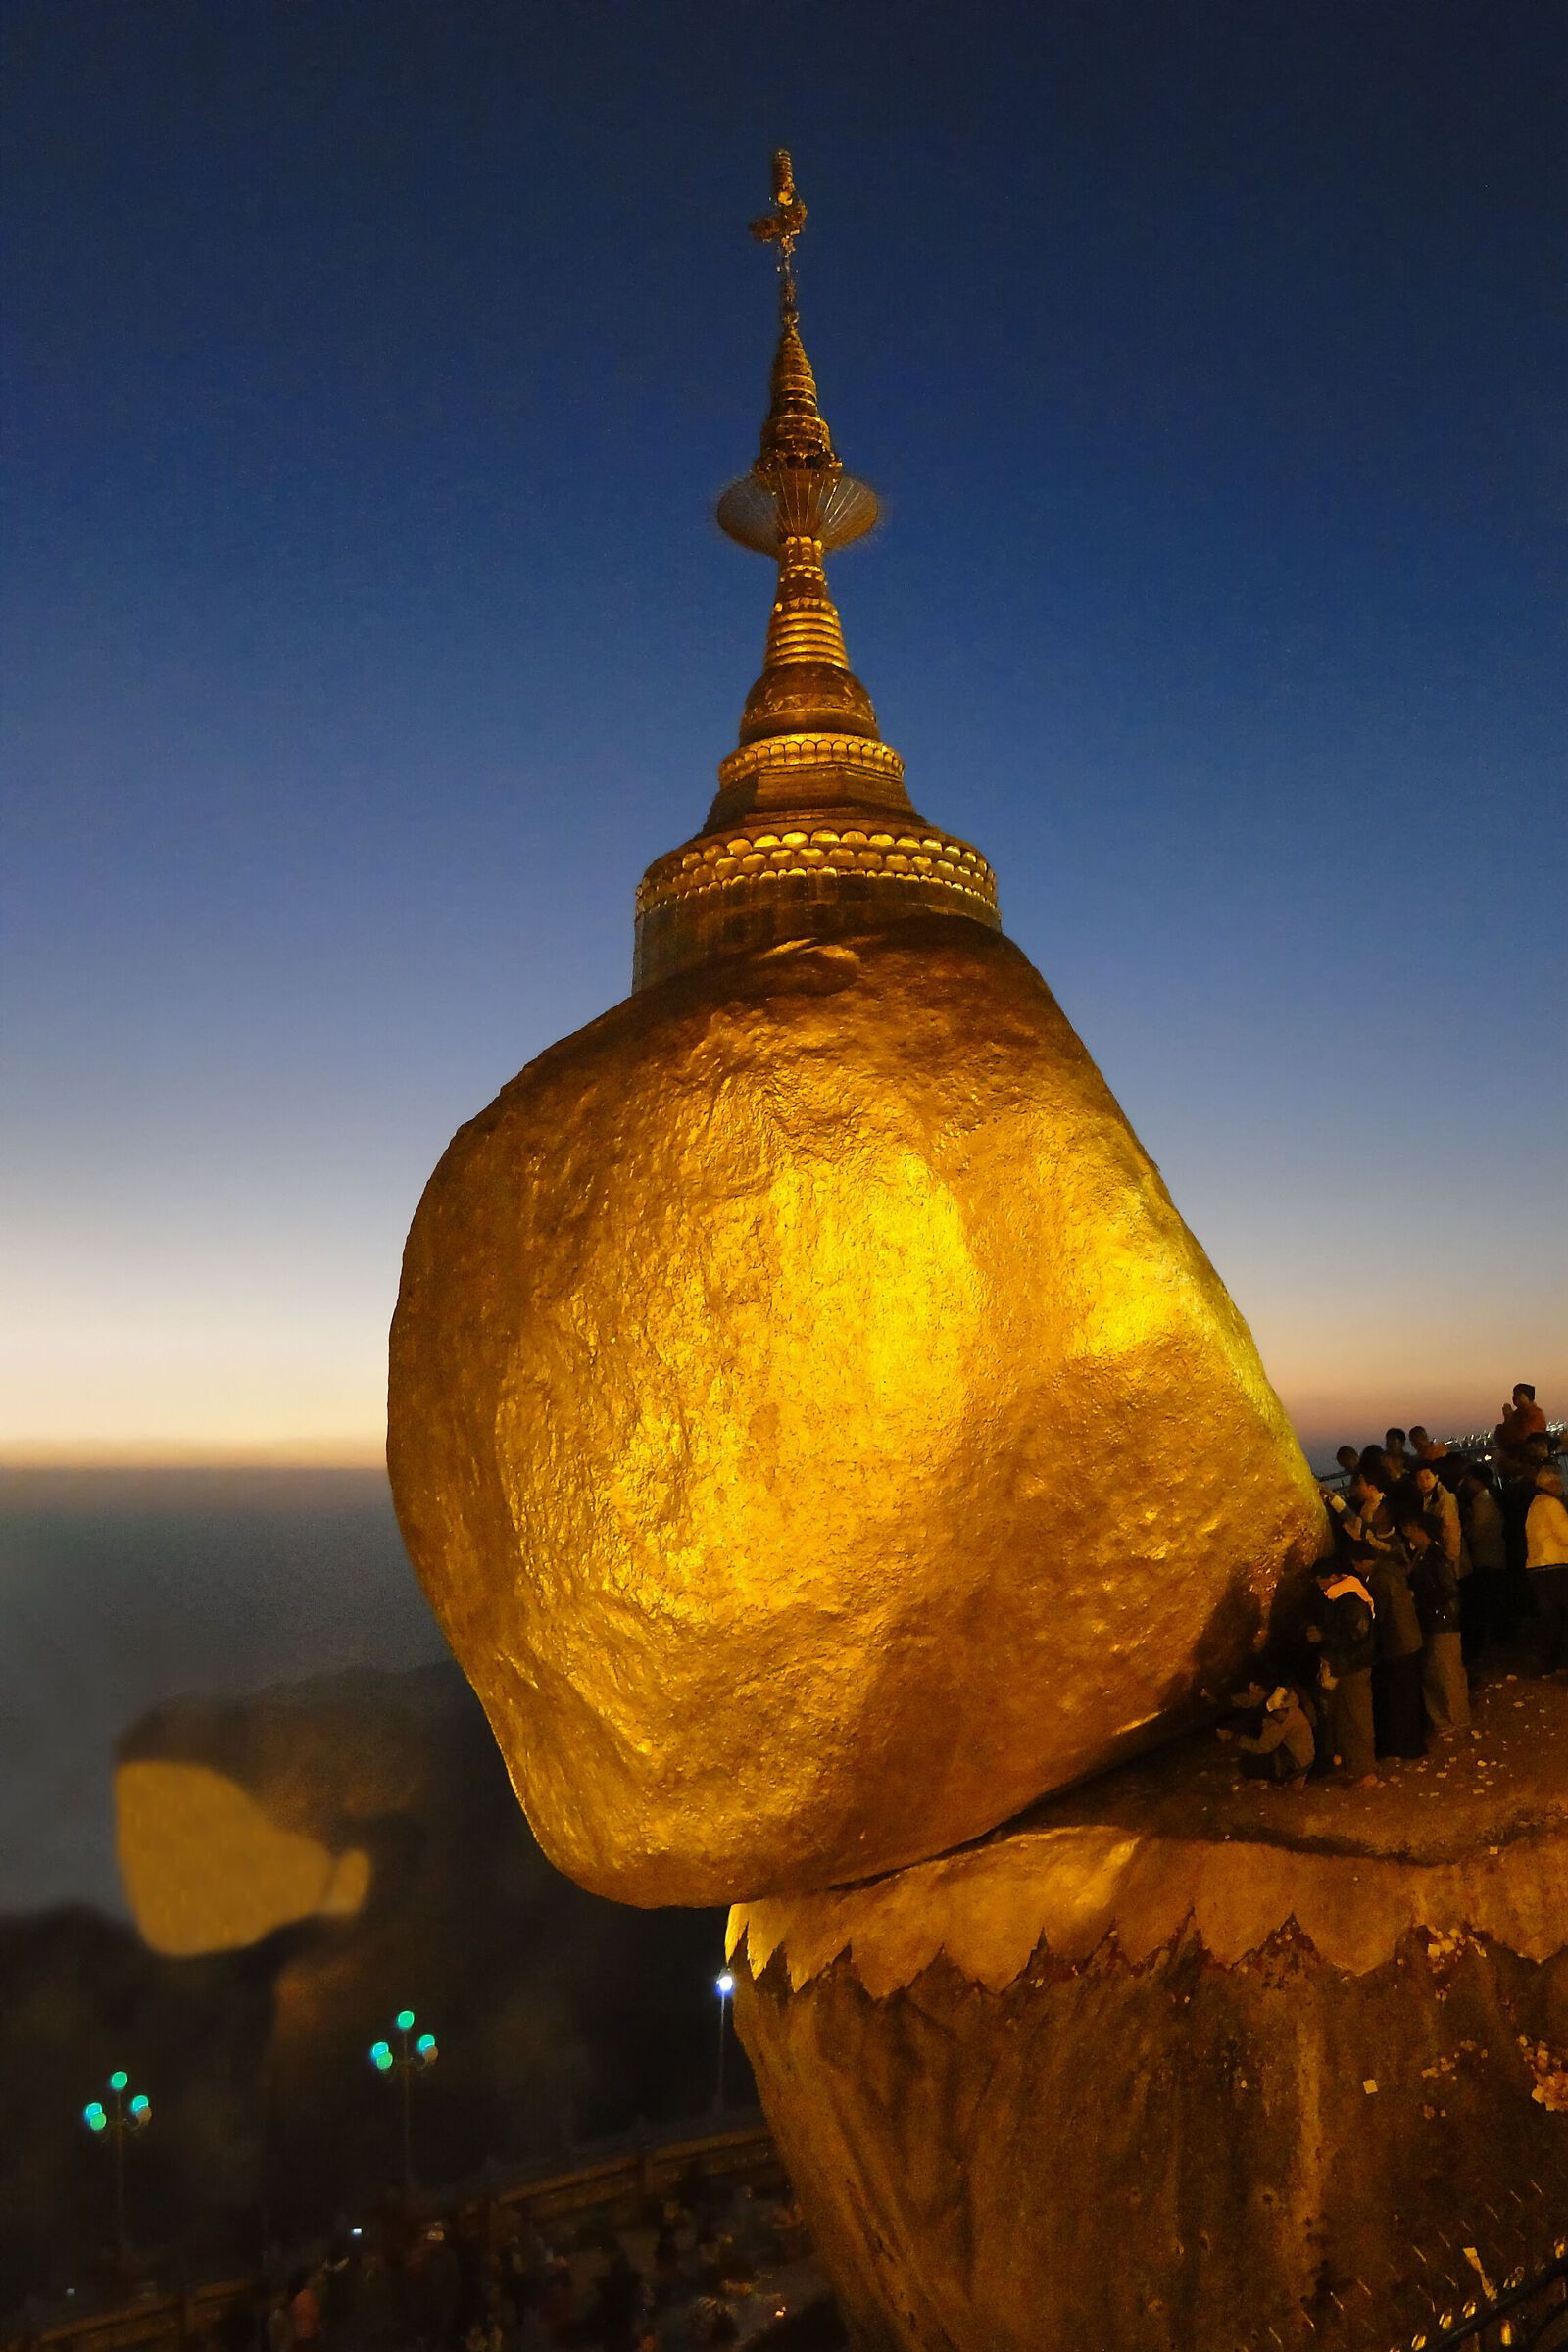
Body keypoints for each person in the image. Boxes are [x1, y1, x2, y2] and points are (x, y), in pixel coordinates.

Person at [1398, 1506, 1469, 1735]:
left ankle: (1457, 1718)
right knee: (1434, 1673)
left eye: (1412, 1529)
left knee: (1447, 1673)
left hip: (1442, 1622)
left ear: (1423, 1531)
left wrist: (1420, 1598)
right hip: (1432, 1621)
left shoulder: (1435, 1557)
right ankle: (1443, 1720)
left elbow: (1449, 1589)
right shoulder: (1422, 1555)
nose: (1408, 1533)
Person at [1307, 1556, 1377, 1785]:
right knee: (1346, 1719)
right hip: (1344, 1665)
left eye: (1321, 1580)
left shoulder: (1350, 1599)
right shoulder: (1339, 1597)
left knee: (1358, 1718)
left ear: (1332, 1577)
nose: (1320, 1585)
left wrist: (1324, 1636)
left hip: (1353, 1666)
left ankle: (1366, 1772)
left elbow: (1357, 1634)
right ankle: (1354, 1767)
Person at [1364, 1542, 1425, 1759]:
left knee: (1399, 1699)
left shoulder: (1379, 1579)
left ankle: (1405, 1746)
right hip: (1411, 1640)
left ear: (1365, 1562)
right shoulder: (1393, 1572)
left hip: (1398, 1644)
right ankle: (1414, 1743)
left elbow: (1377, 1615)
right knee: (1409, 1695)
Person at [1217, 1684, 1315, 1787]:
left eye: (1255, 1688)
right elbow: (1249, 1701)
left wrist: (1233, 1737)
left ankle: (1282, 1778)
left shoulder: (1278, 1718)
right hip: (1306, 1758)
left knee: (1247, 1764)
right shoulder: (1290, 1706)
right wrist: (1221, 1699)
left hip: (1296, 1764)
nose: (1252, 1691)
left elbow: (1263, 1747)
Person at [1460, 1462, 1509, 1646]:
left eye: (1469, 1478)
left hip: (1487, 1557)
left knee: (1490, 1598)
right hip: (1495, 1556)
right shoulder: (1489, 1499)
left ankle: (1500, 1636)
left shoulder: (1481, 1502)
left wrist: (1467, 1532)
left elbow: (1480, 1532)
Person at [1525, 1467, 1568, 1673]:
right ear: (1550, 1484)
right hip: (1555, 1566)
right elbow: (1566, 1536)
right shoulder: (1551, 1504)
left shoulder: (1535, 1505)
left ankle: (1548, 1663)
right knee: (1559, 1616)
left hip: (1537, 1567)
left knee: (1550, 1618)